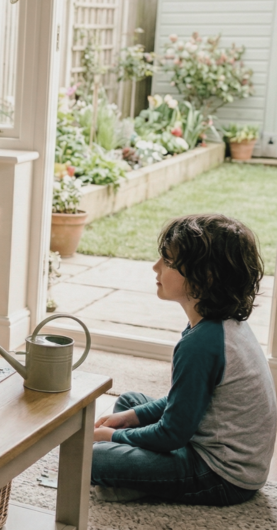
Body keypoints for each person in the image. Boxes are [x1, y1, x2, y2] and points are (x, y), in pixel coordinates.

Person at [91, 214, 277, 506]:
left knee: (92, 458)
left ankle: (141, 484)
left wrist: (114, 438)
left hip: (222, 474)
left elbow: (172, 433)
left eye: (167, 261)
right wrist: (128, 420)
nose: (155, 267)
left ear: (205, 277)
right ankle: (140, 480)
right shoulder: (216, 324)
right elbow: (183, 402)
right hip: (208, 441)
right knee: (129, 403)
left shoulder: (202, 344)